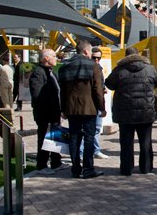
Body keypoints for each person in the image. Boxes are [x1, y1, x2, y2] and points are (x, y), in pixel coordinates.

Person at [105, 47, 157, 175]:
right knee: (146, 141)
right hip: (146, 111)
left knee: (126, 142)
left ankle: (126, 169)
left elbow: (109, 84)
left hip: (125, 112)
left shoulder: (119, 70)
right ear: (138, 54)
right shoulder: (150, 68)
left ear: (125, 56)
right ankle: (146, 168)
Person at [58, 40, 106, 179]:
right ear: (86, 51)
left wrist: (63, 109)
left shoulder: (65, 66)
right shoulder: (93, 66)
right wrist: (101, 108)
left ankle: (75, 168)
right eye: (90, 51)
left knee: (74, 137)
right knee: (89, 138)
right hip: (89, 107)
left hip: (72, 108)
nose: (91, 54)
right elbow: (97, 89)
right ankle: (88, 168)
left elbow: (63, 91)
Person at [29, 49, 68, 174]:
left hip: (54, 113)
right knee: (44, 139)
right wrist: (51, 106)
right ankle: (42, 165)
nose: (56, 58)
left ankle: (56, 162)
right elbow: (38, 95)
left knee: (55, 137)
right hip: (45, 114)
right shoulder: (38, 73)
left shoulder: (51, 72)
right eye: (53, 56)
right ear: (45, 58)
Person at [83, 47, 109, 160]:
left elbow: (100, 84)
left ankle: (96, 150)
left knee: (97, 128)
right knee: (86, 129)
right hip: (89, 103)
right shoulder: (87, 68)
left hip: (98, 101)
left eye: (99, 58)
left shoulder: (99, 68)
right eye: (94, 58)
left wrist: (103, 89)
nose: (97, 60)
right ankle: (82, 152)